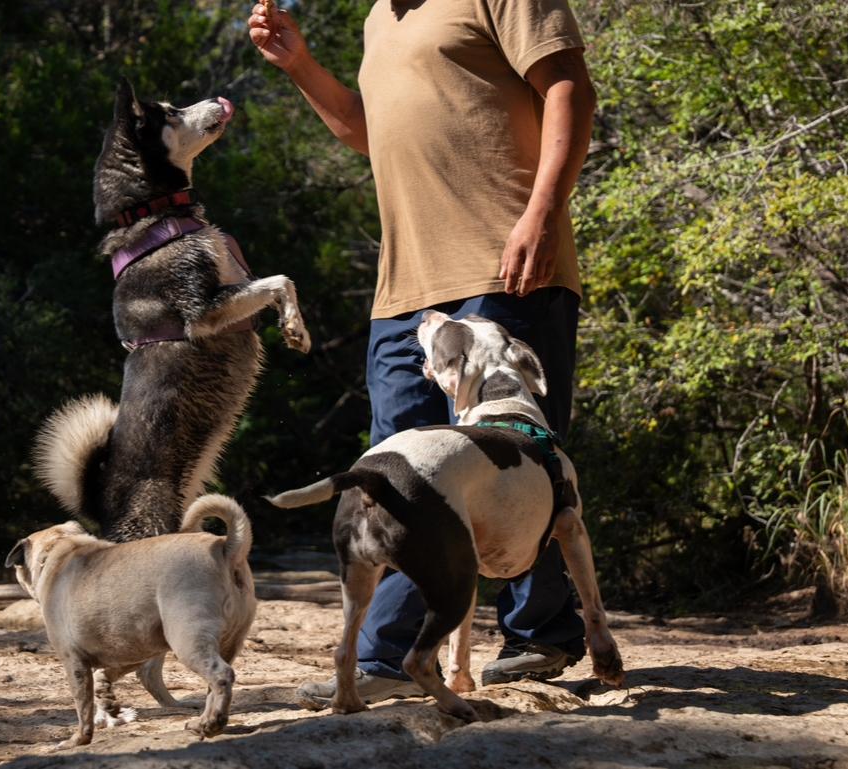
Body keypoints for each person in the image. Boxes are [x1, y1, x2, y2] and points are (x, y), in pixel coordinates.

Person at [248, 0, 598, 705]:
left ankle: (540, 635)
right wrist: (301, 66)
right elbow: (368, 132)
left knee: (517, 458)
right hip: (405, 290)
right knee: (396, 475)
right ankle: (389, 658)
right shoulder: (381, 19)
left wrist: (542, 212)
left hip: (505, 267)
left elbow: (569, 88)